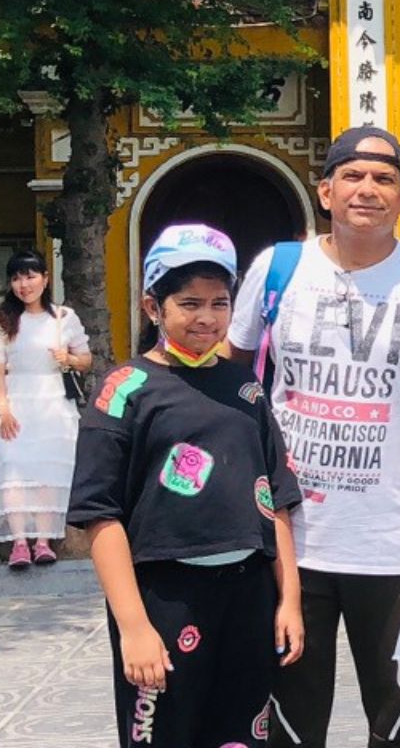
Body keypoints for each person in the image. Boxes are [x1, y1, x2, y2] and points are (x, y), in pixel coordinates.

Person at [227, 126, 400, 748]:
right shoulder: (276, 272)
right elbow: (232, 391)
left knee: (399, 727)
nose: (367, 189)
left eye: (384, 178)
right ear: (325, 190)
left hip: (395, 554)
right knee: (288, 724)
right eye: (352, 175)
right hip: (290, 547)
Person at [68, 224, 304, 748]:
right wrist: (134, 627)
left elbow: (278, 501)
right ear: (154, 307)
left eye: (219, 303)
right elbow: (99, 516)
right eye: (189, 303)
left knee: (243, 737)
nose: (206, 318)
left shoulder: (246, 389)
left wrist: (288, 600)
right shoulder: (124, 390)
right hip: (166, 598)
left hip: (248, 597)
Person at [0, 249, 91, 568]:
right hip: (17, 400)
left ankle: (43, 541)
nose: (23, 284)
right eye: (16, 278)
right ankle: (18, 543)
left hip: (53, 401)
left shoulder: (64, 318)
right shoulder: (4, 320)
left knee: (46, 473)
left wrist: (68, 359)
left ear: (45, 278)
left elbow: (85, 360)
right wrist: (3, 409)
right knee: (13, 471)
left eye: (30, 276)